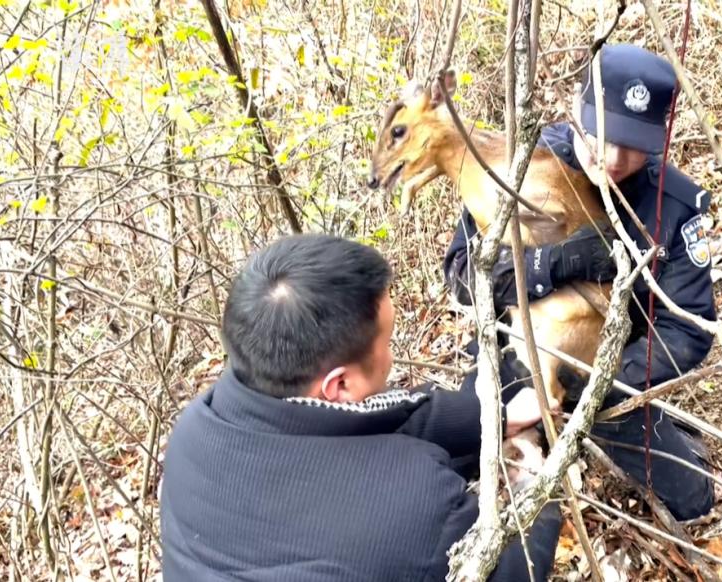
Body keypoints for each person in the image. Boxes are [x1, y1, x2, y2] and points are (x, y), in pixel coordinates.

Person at [159, 234, 561, 581]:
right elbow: (516, 568)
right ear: (339, 384)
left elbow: (376, 419)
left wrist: (495, 418)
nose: (390, 356)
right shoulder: (417, 509)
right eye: (386, 342)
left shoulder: (195, 428)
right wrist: (536, 487)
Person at [443, 44, 716, 521]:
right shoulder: (519, 165)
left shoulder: (672, 204)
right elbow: (464, 280)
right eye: (601, 135)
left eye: (633, 145)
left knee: (694, 499)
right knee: (454, 462)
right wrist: (555, 263)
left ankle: (619, 426)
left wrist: (605, 380)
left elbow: (689, 329)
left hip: (608, 372)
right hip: (517, 350)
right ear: (578, 110)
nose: (612, 158)